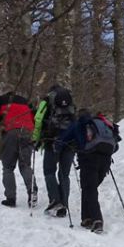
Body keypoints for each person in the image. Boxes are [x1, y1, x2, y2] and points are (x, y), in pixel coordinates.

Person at [56, 109, 118, 234]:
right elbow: (116, 145)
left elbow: (63, 140)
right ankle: (86, 218)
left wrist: (57, 149)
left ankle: (97, 220)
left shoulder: (79, 124)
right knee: (89, 188)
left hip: (89, 159)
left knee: (89, 189)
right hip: (105, 161)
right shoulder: (103, 124)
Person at [32, 84, 76, 218]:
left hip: (52, 140)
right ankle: (64, 203)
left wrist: (36, 139)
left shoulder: (47, 100)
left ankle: (55, 202)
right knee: (64, 174)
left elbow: (38, 119)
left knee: (49, 171)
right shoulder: (70, 100)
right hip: (70, 141)